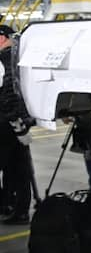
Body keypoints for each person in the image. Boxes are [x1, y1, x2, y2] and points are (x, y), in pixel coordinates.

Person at [0, 24, 35, 225]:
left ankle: (12, 206)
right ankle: (17, 208)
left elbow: (8, 96)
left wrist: (15, 122)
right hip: (17, 123)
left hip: (8, 124)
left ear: (3, 38)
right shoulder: (17, 58)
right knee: (19, 169)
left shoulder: (4, 61)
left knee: (17, 169)